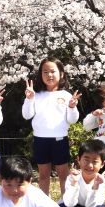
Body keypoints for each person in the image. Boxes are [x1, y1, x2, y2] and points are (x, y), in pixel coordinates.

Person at [22, 57, 81, 195]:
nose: (49, 75)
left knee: (63, 175)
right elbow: (26, 115)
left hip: (60, 139)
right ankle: (44, 203)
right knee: (43, 175)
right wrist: (29, 99)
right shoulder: (36, 95)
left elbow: (72, 120)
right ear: (40, 75)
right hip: (40, 140)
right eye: (45, 72)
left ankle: (65, 202)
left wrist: (72, 107)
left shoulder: (66, 95)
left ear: (61, 74)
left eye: (53, 71)